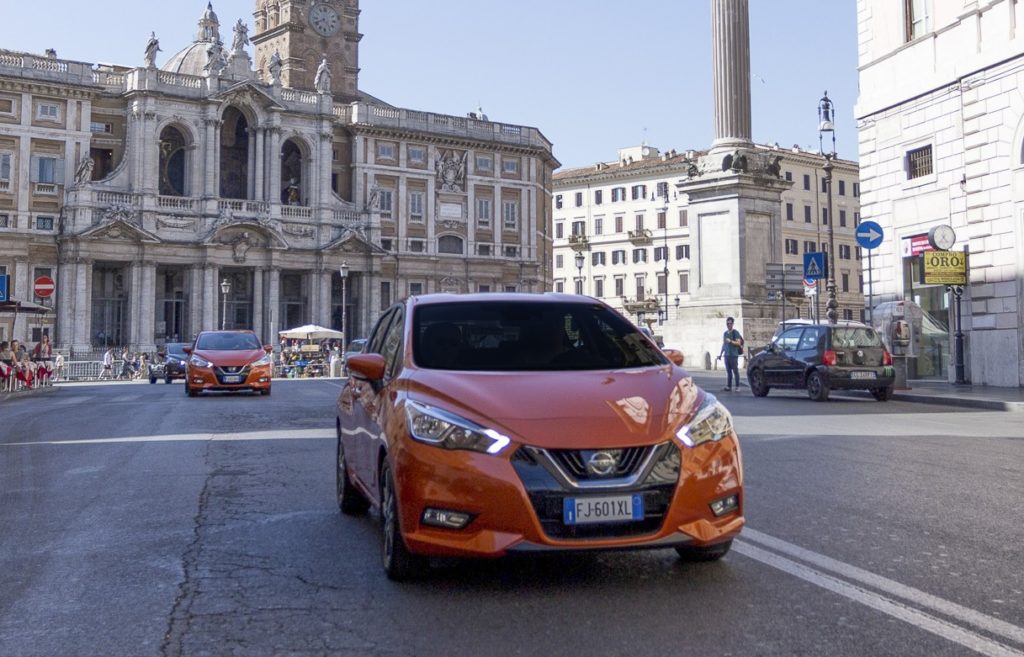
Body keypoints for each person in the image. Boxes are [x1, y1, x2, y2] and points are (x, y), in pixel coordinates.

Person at [719, 317, 744, 391]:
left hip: (733, 355)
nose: (728, 325)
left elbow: (738, 343)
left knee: (735, 371)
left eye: (730, 323)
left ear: (732, 324)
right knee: (728, 372)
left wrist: (730, 341)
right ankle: (729, 386)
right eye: (727, 323)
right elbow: (724, 344)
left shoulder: (735, 332)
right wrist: (720, 354)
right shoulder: (725, 333)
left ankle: (737, 386)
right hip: (726, 355)